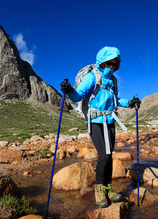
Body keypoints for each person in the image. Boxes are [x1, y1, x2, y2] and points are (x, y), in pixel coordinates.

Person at [60, 46, 141, 208]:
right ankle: (99, 190)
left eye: (116, 64)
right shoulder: (92, 77)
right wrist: (69, 91)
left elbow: (116, 100)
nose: (113, 66)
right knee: (104, 155)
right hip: (95, 123)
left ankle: (108, 188)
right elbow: (78, 95)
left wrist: (130, 103)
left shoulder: (113, 81)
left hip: (110, 122)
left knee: (109, 156)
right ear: (103, 62)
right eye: (111, 63)